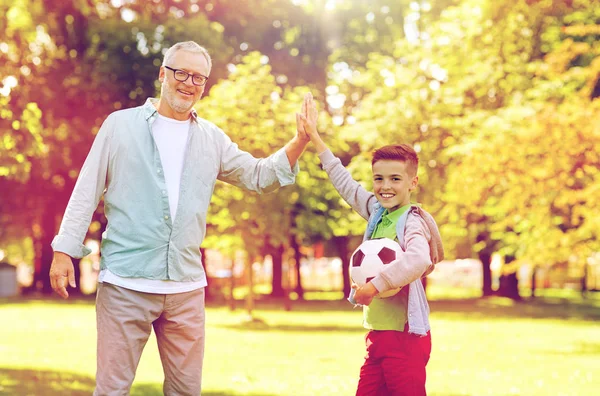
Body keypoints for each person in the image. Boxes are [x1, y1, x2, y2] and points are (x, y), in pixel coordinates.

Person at [50, 41, 310, 395]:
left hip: (186, 289)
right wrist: (64, 250)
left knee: (186, 392)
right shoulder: (119, 126)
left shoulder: (212, 139)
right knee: (112, 390)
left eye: (199, 78)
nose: (189, 83)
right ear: (163, 74)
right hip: (126, 283)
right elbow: (86, 190)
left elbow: (258, 175)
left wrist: (298, 142)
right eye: (181, 73)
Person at [297, 94, 444, 396]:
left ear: (412, 183)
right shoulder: (377, 213)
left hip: (405, 339)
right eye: (379, 179)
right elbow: (346, 184)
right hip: (377, 336)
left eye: (395, 179)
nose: (385, 187)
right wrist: (315, 139)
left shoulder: (411, 221)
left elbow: (418, 259)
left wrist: (376, 285)